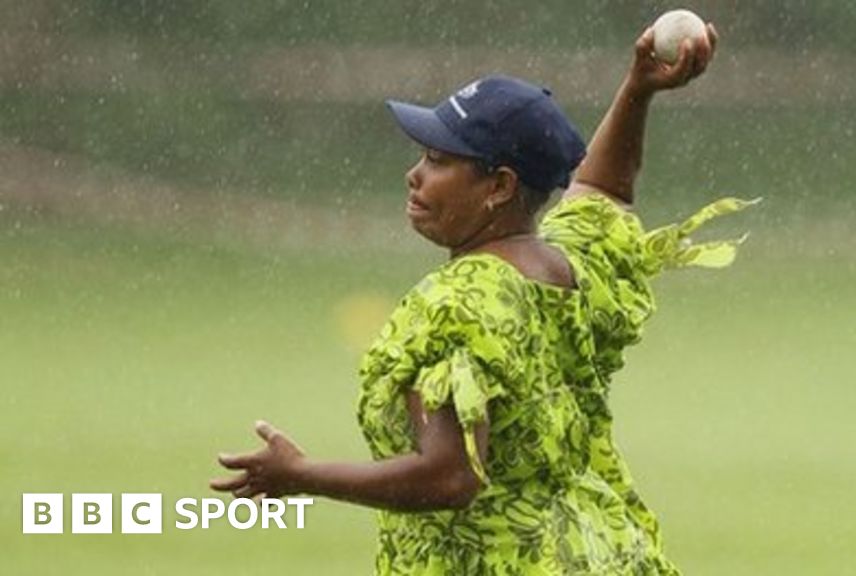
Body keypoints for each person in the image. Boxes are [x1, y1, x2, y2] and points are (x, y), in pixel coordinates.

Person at [212, 23, 755, 574]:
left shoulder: (458, 306)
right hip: (599, 554)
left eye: (439, 160)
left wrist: (302, 475)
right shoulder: (571, 270)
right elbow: (603, 192)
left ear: (499, 186)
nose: (414, 176)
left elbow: (450, 476)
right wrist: (638, 89)